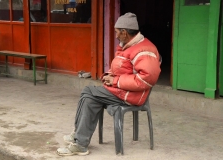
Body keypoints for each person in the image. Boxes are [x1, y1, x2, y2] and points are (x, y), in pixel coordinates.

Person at [56, 12, 161, 156]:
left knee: (88, 91)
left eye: (117, 32)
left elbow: (145, 79)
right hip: (121, 90)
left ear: (124, 32)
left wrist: (115, 80)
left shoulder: (144, 50)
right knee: (90, 98)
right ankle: (79, 141)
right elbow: (120, 68)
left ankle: (78, 139)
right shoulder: (127, 46)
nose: (116, 35)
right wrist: (108, 76)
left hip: (131, 95)